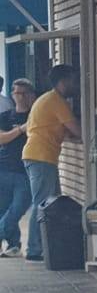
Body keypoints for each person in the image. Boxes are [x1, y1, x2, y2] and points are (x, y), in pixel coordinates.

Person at [21, 64, 81, 262]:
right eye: (73, 80)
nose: (76, 84)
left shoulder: (46, 99)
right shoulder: (57, 101)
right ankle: (34, 249)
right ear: (63, 82)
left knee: (51, 204)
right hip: (41, 157)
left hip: (40, 156)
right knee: (43, 203)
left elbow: (63, 130)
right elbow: (77, 130)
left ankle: (47, 246)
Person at [0, 77, 35, 256]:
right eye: (17, 93)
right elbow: (2, 138)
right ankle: (13, 245)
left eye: (24, 93)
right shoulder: (5, 116)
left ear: (31, 95)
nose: (20, 97)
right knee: (3, 208)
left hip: (25, 170)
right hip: (4, 167)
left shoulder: (35, 116)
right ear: (12, 95)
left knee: (18, 208)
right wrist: (21, 129)